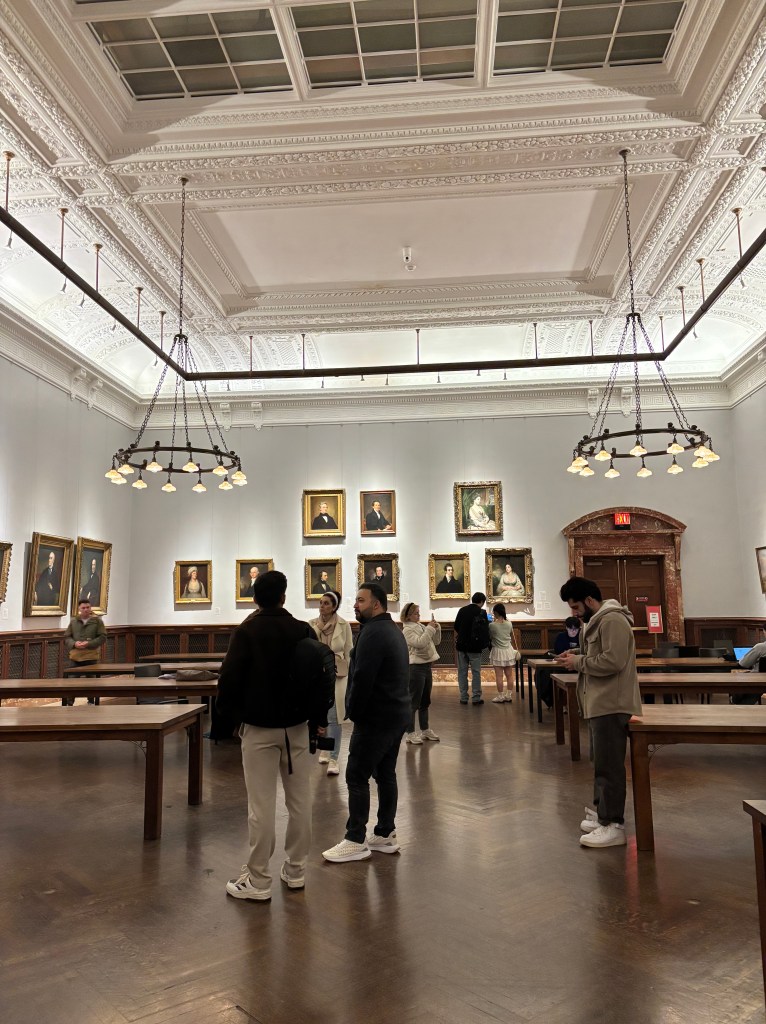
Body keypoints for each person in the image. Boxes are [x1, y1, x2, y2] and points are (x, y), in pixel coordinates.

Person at [217, 570, 332, 900]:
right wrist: (317, 719)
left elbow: (228, 681)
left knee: (261, 806)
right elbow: (318, 677)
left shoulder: (247, 631)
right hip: (297, 728)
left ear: (255, 598)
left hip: (259, 730)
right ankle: (296, 870)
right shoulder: (302, 629)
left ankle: (258, 879)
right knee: (300, 802)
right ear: (283, 596)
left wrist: (231, 722)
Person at [322, 583, 410, 863]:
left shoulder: (373, 632)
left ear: (377, 604)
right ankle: (385, 833)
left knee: (356, 776)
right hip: (395, 714)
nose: (355, 605)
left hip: (376, 718)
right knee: (385, 774)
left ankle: (355, 839)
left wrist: (354, 712)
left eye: (361, 600)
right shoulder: (391, 629)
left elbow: (362, 678)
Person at [556, 576, 641, 849]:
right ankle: (603, 814)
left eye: (576, 607)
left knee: (610, 766)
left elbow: (613, 660)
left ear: (589, 600)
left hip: (611, 703)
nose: (574, 613)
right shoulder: (598, 620)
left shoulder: (612, 620)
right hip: (600, 703)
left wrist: (579, 661)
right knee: (600, 762)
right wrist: (574, 655)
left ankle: (613, 825)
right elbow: (598, 651)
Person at [310, 590, 353, 775]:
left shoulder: (344, 625)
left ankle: (334, 758)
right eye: (321, 602)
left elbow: (349, 650)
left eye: (326, 603)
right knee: (321, 714)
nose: (322, 606)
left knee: (335, 717)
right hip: (318, 675)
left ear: (334, 606)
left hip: (338, 674)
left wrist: (349, 674)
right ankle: (325, 750)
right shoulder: (312, 624)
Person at [400, 602, 441, 744]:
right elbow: (420, 643)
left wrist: (437, 629)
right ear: (408, 616)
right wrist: (430, 629)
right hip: (416, 668)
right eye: (416, 613)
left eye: (418, 612)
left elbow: (435, 642)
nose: (419, 615)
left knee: (425, 701)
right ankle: (410, 732)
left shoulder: (421, 626)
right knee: (413, 701)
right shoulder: (407, 630)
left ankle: (425, 729)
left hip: (427, 666)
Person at [63, 599, 107, 705]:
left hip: (91, 656)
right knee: (72, 681)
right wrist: (74, 643)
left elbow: (103, 637)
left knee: (91, 681)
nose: (86, 610)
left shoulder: (97, 621)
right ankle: (69, 703)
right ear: (79, 609)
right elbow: (67, 637)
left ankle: (91, 701)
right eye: (83, 608)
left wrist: (89, 643)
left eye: (88, 607)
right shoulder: (74, 622)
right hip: (75, 656)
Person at [535, 617, 581, 709]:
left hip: (576, 665)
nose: (573, 631)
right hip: (562, 666)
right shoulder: (561, 637)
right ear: (566, 628)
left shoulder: (581, 636)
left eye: (575, 629)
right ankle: (560, 702)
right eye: (571, 629)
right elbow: (558, 651)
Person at [453, 592, 490, 705]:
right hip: (475, 647)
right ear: (482, 602)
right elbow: (485, 630)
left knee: (462, 672)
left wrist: (463, 635)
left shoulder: (462, 610)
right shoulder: (481, 612)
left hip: (461, 646)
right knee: (476, 672)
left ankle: (463, 697)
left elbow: (456, 626)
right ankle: (476, 697)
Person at [488, 603, 519, 703]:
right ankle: (508, 695)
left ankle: (501, 696)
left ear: (496, 612)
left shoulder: (492, 625)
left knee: (499, 676)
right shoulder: (509, 623)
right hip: (508, 650)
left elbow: (490, 637)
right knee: (509, 675)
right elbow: (510, 635)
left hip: (498, 651)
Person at [733, 628, 766, 704]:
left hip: (759, 682)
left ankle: (740, 705)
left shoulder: (760, 647)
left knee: (742, 686)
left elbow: (743, 663)